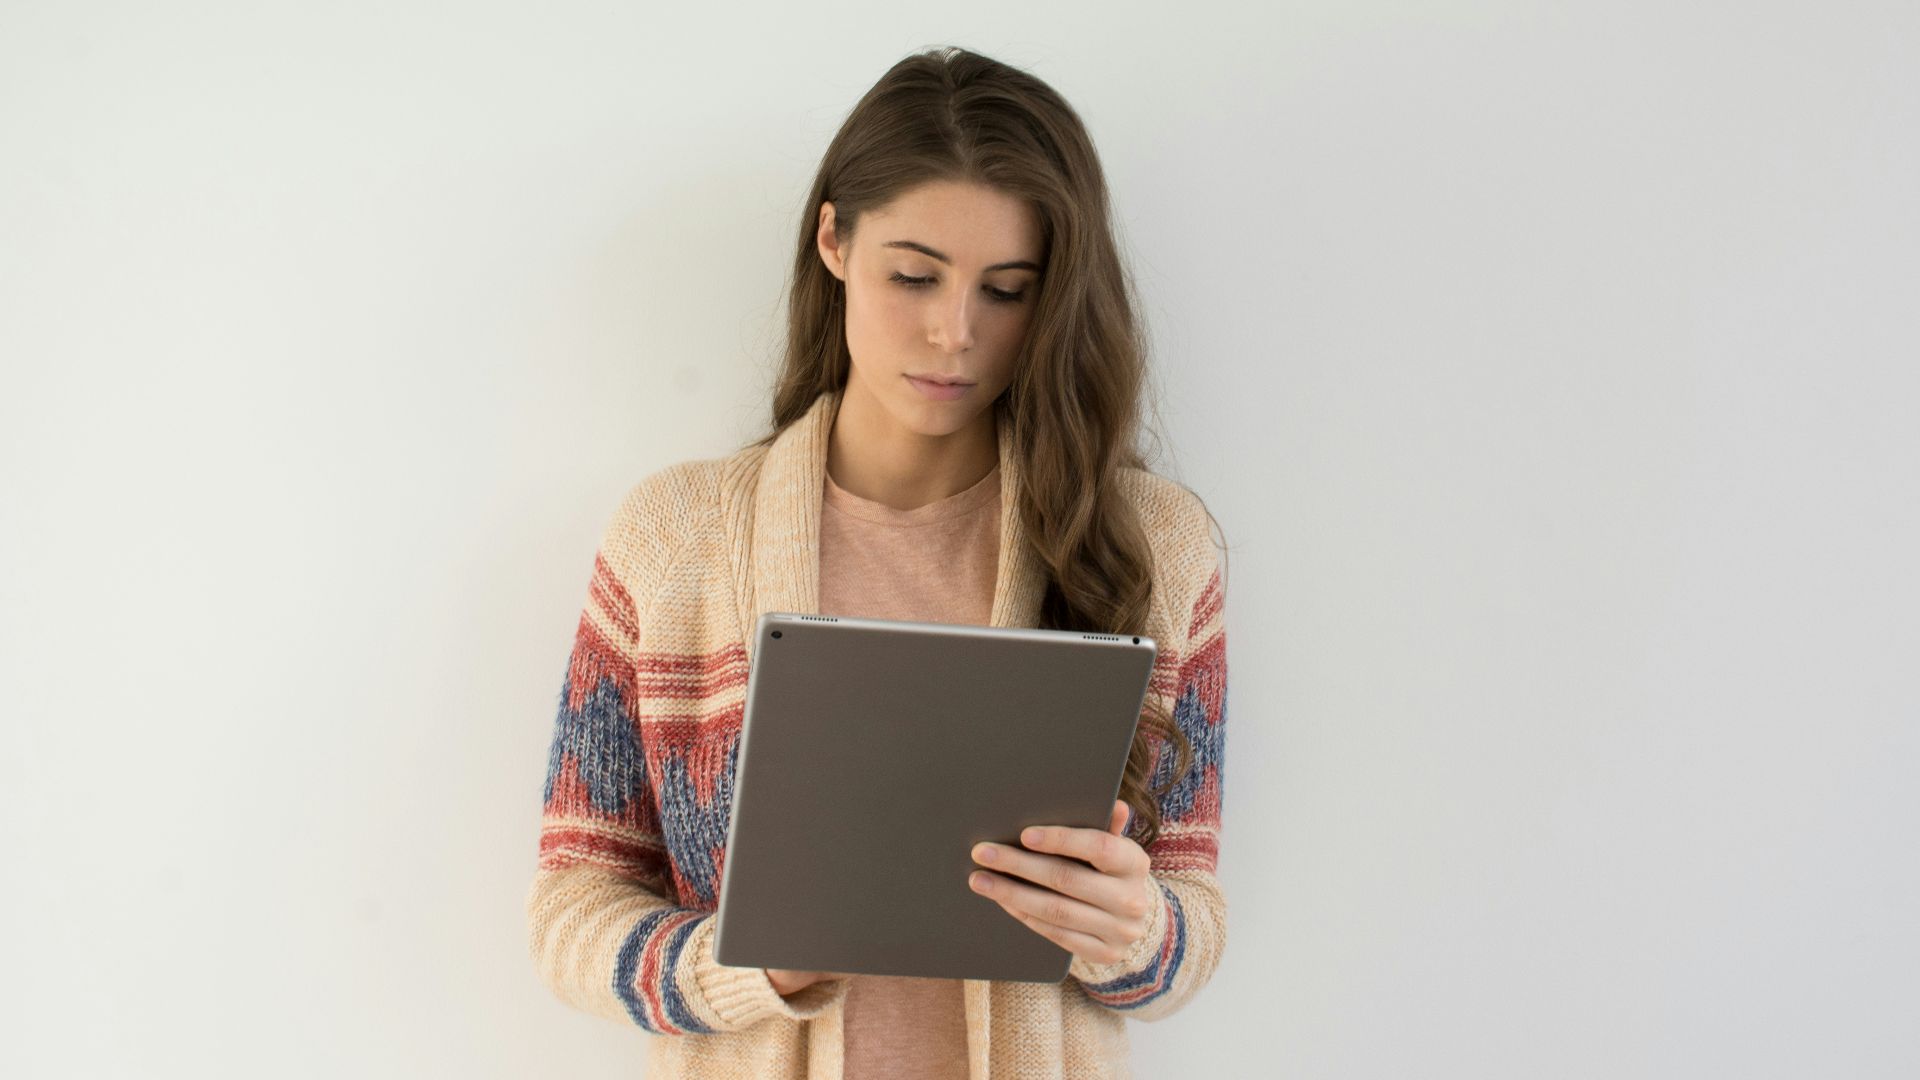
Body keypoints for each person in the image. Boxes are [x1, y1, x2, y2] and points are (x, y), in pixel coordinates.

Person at [525, 45, 1230, 1079]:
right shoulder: (674, 540)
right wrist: (747, 968)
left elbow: (1192, 915)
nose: (955, 332)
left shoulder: (1156, 546)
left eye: (1008, 290)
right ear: (834, 242)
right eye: (914, 274)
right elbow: (570, 906)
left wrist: (1136, 932)